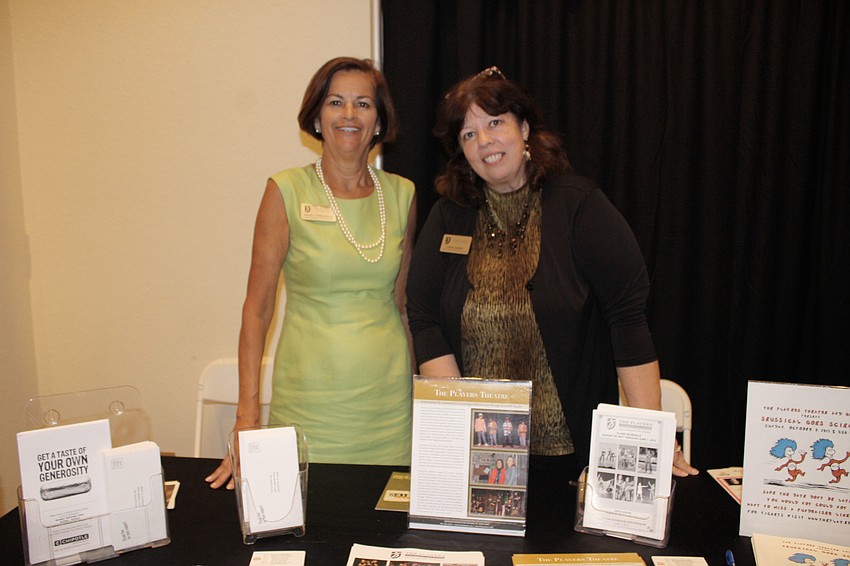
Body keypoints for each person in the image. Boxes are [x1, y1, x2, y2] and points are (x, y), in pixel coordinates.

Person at [406, 67, 697, 480]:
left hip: (574, 459)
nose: (484, 141)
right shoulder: (449, 214)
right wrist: (459, 425)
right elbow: (425, 319)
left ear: (524, 128)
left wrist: (654, 434)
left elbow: (627, 320)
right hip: (484, 462)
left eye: (495, 123)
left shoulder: (578, 206)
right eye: (468, 134)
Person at [206, 57, 416, 489]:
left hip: (390, 410)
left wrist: (428, 405)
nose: (349, 114)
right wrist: (247, 418)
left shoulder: (402, 194)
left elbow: (403, 307)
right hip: (309, 409)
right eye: (335, 102)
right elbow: (257, 310)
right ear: (317, 118)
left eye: (363, 103)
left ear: (379, 121)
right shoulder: (285, 190)